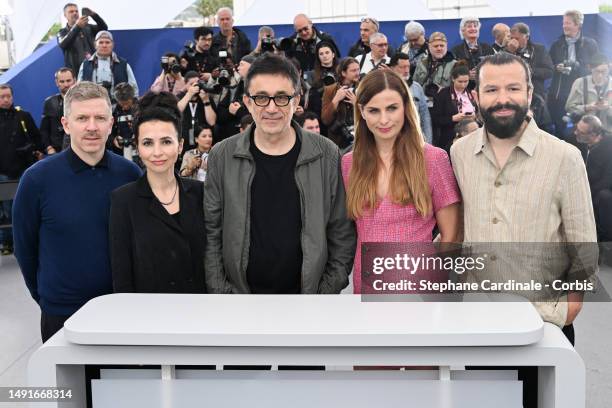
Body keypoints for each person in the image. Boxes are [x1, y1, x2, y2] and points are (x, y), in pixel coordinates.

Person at [450, 51, 597, 408]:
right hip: (479, 323)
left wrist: (567, 309)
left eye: (513, 88)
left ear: (530, 93)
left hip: (543, 325)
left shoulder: (564, 158)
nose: (503, 99)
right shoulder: (458, 153)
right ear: (477, 96)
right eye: (492, 89)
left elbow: (584, 246)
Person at [204, 53, 356, 294]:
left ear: (297, 101)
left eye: (282, 98)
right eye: (261, 98)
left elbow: (341, 231)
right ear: (247, 102)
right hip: (240, 300)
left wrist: (324, 291)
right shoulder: (222, 156)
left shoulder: (326, 154)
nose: (272, 108)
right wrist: (224, 292)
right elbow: (212, 232)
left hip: (308, 302)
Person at [13, 82, 141, 342]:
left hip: (120, 312)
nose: (92, 127)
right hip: (61, 315)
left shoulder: (130, 174)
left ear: (111, 123)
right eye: (82, 118)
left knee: (120, 384)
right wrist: (48, 297)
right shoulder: (36, 180)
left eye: (100, 118)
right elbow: (25, 247)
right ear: (66, 123)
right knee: (68, 386)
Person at [341, 69, 460, 293]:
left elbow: (451, 234)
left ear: (405, 107)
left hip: (420, 289)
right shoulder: (349, 164)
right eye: (374, 111)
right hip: (366, 289)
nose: (384, 120)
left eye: (392, 108)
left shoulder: (433, 160)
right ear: (361, 111)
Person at [110, 92, 206, 294]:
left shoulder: (200, 193)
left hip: (200, 312)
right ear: (137, 146)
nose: (157, 152)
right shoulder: (123, 200)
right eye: (147, 143)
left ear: (180, 146)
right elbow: (122, 274)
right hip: (148, 316)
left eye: (166, 141)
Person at [0, 84, 43, 255]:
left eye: (8, 96)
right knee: (5, 210)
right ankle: (7, 242)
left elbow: (37, 138)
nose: (6, 99)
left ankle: (25, 242)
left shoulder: (23, 116)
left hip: (24, 170)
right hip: (2, 172)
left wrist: (32, 149)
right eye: (2, 96)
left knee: (25, 208)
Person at [548, 10, 600, 138]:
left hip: (582, 94)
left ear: (578, 25)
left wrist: (577, 66)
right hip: (560, 94)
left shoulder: (590, 44)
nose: (564, 26)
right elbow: (548, 67)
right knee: (559, 131)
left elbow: (597, 68)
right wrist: (556, 67)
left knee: (582, 131)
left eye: (568, 23)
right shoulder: (557, 45)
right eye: (563, 23)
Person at [569, 115, 612, 242]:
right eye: (576, 128)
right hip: (580, 185)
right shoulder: (576, 140)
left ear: (593, 135)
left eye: (580, 132)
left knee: (604, 197)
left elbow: (607, 180)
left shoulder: (609, 147)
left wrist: (585, 195)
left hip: (598, 191)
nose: (575, 133)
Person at [77, 30, 139, 98]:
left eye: (107, 42)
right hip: (92, 105)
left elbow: (134, 89)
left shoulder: (123, 64)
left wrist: (133, 105)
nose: (104, 45)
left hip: (117, 106)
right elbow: (78, 90)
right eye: (101, 42)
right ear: (95, 45)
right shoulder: (85, 65)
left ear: (112, 45)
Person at [432, 62, 478, 152]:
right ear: (453, 79)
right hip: (451, 138)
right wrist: (453, 118)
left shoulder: (471, 93)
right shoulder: (443, 94)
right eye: (460, 81)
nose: (463, 85)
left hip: (472, 136)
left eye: (466, 81)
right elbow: (435, 119)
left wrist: (475, 116)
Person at [389, 52, 433, 143]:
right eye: (402, 67)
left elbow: (425, 115)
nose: (406, 70)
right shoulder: (385, 88)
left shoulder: (417, 87)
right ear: (392, 68)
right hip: (393, 136)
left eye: (408, 66)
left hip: (414, 135)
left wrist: (428, 141)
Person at [505, 23, 554, 98]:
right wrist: (508, 52)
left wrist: (530, 71)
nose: (514, 41)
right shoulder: (506, 51)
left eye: (517, 38)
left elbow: (549, 71)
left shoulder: (539, 49)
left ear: (527, 37)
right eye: (512, 38)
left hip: (535, 95)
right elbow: (499, 69)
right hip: (513, 94)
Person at [321, 57, 360, 148]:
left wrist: (356, 104)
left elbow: (370, 117)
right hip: (338, 143)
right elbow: (325, 120)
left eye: (358, 69)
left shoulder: (363, 88)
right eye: (353, 70)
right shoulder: (330, 90)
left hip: (360, 139)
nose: (357, 73)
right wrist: (336, 100)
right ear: (343, 73)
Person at [565, 53, 611, 130]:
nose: (600, 75)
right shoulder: (580, 83)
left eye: (604, 71)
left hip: (608, 131)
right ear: (590, 68)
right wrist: (588, 107)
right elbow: (569, 108)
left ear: (609, 68)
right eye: (597, 71)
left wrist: (608, 108)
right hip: (584, 130)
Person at [57, 3, 107, 71]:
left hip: (93, 68)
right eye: (71, 11)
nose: (75, 13)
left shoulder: (88, 27)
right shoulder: (62, 32)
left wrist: (94, 15)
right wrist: (77, 27)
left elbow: (104, 28)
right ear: (65, 15)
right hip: (75, 71)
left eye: (76, 11)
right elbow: (63, 44)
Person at [215, 55, 254, 142]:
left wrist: (239, 111)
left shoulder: (259, 88)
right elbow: (219, 116)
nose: (238, 68)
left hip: (249, 138)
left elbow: (258, 116)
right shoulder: (235, 88)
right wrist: (230, 111)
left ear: (252, 67)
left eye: (242, 64)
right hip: (230, 138)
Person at [413, 32, 457, 107]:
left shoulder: (455, 65)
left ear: (446, 46)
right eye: (436, 46)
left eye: (442, 46)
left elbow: (459, 90)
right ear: (429, 47)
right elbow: (414, 85)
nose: (439, 48)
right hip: (423, 104)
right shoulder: (421, 62)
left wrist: (445, 91)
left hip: (445, 106)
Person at [450, 17, 494, 89]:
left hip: (486, 88)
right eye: (469, 26)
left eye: (475, 26)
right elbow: (452, 74)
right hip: (465, 90)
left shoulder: (488, 48)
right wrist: (466, 75)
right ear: (463, 31)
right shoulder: (455, 51)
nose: (473, 29)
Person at [177, 71, 217, 149]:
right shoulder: (180, 97)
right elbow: (176, 111)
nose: (195, 86)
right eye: (191, 84)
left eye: (197, 83)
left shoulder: (206, 97)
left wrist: (206, 101)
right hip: (184, 140)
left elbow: (212, 122)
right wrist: (189, 95)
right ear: (185, 85)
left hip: (202, 141)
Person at [40, 67, 76, 155]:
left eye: (68, 80)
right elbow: (44, 130)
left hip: (78, 149)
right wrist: (49, 148)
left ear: (74, 80)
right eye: (62, 81)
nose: (66, 84)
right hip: (56, 151)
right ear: (57, 83)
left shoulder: (83, 101)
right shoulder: (49, 102)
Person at [109, 83, 140, 164]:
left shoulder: (141, 109)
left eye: (127, 103)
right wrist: (114, 139)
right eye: (122, 103)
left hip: (139, 150)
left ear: (132, 98)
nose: (124, 106)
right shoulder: (115, 111)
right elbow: (110, 131)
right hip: (121, 150)